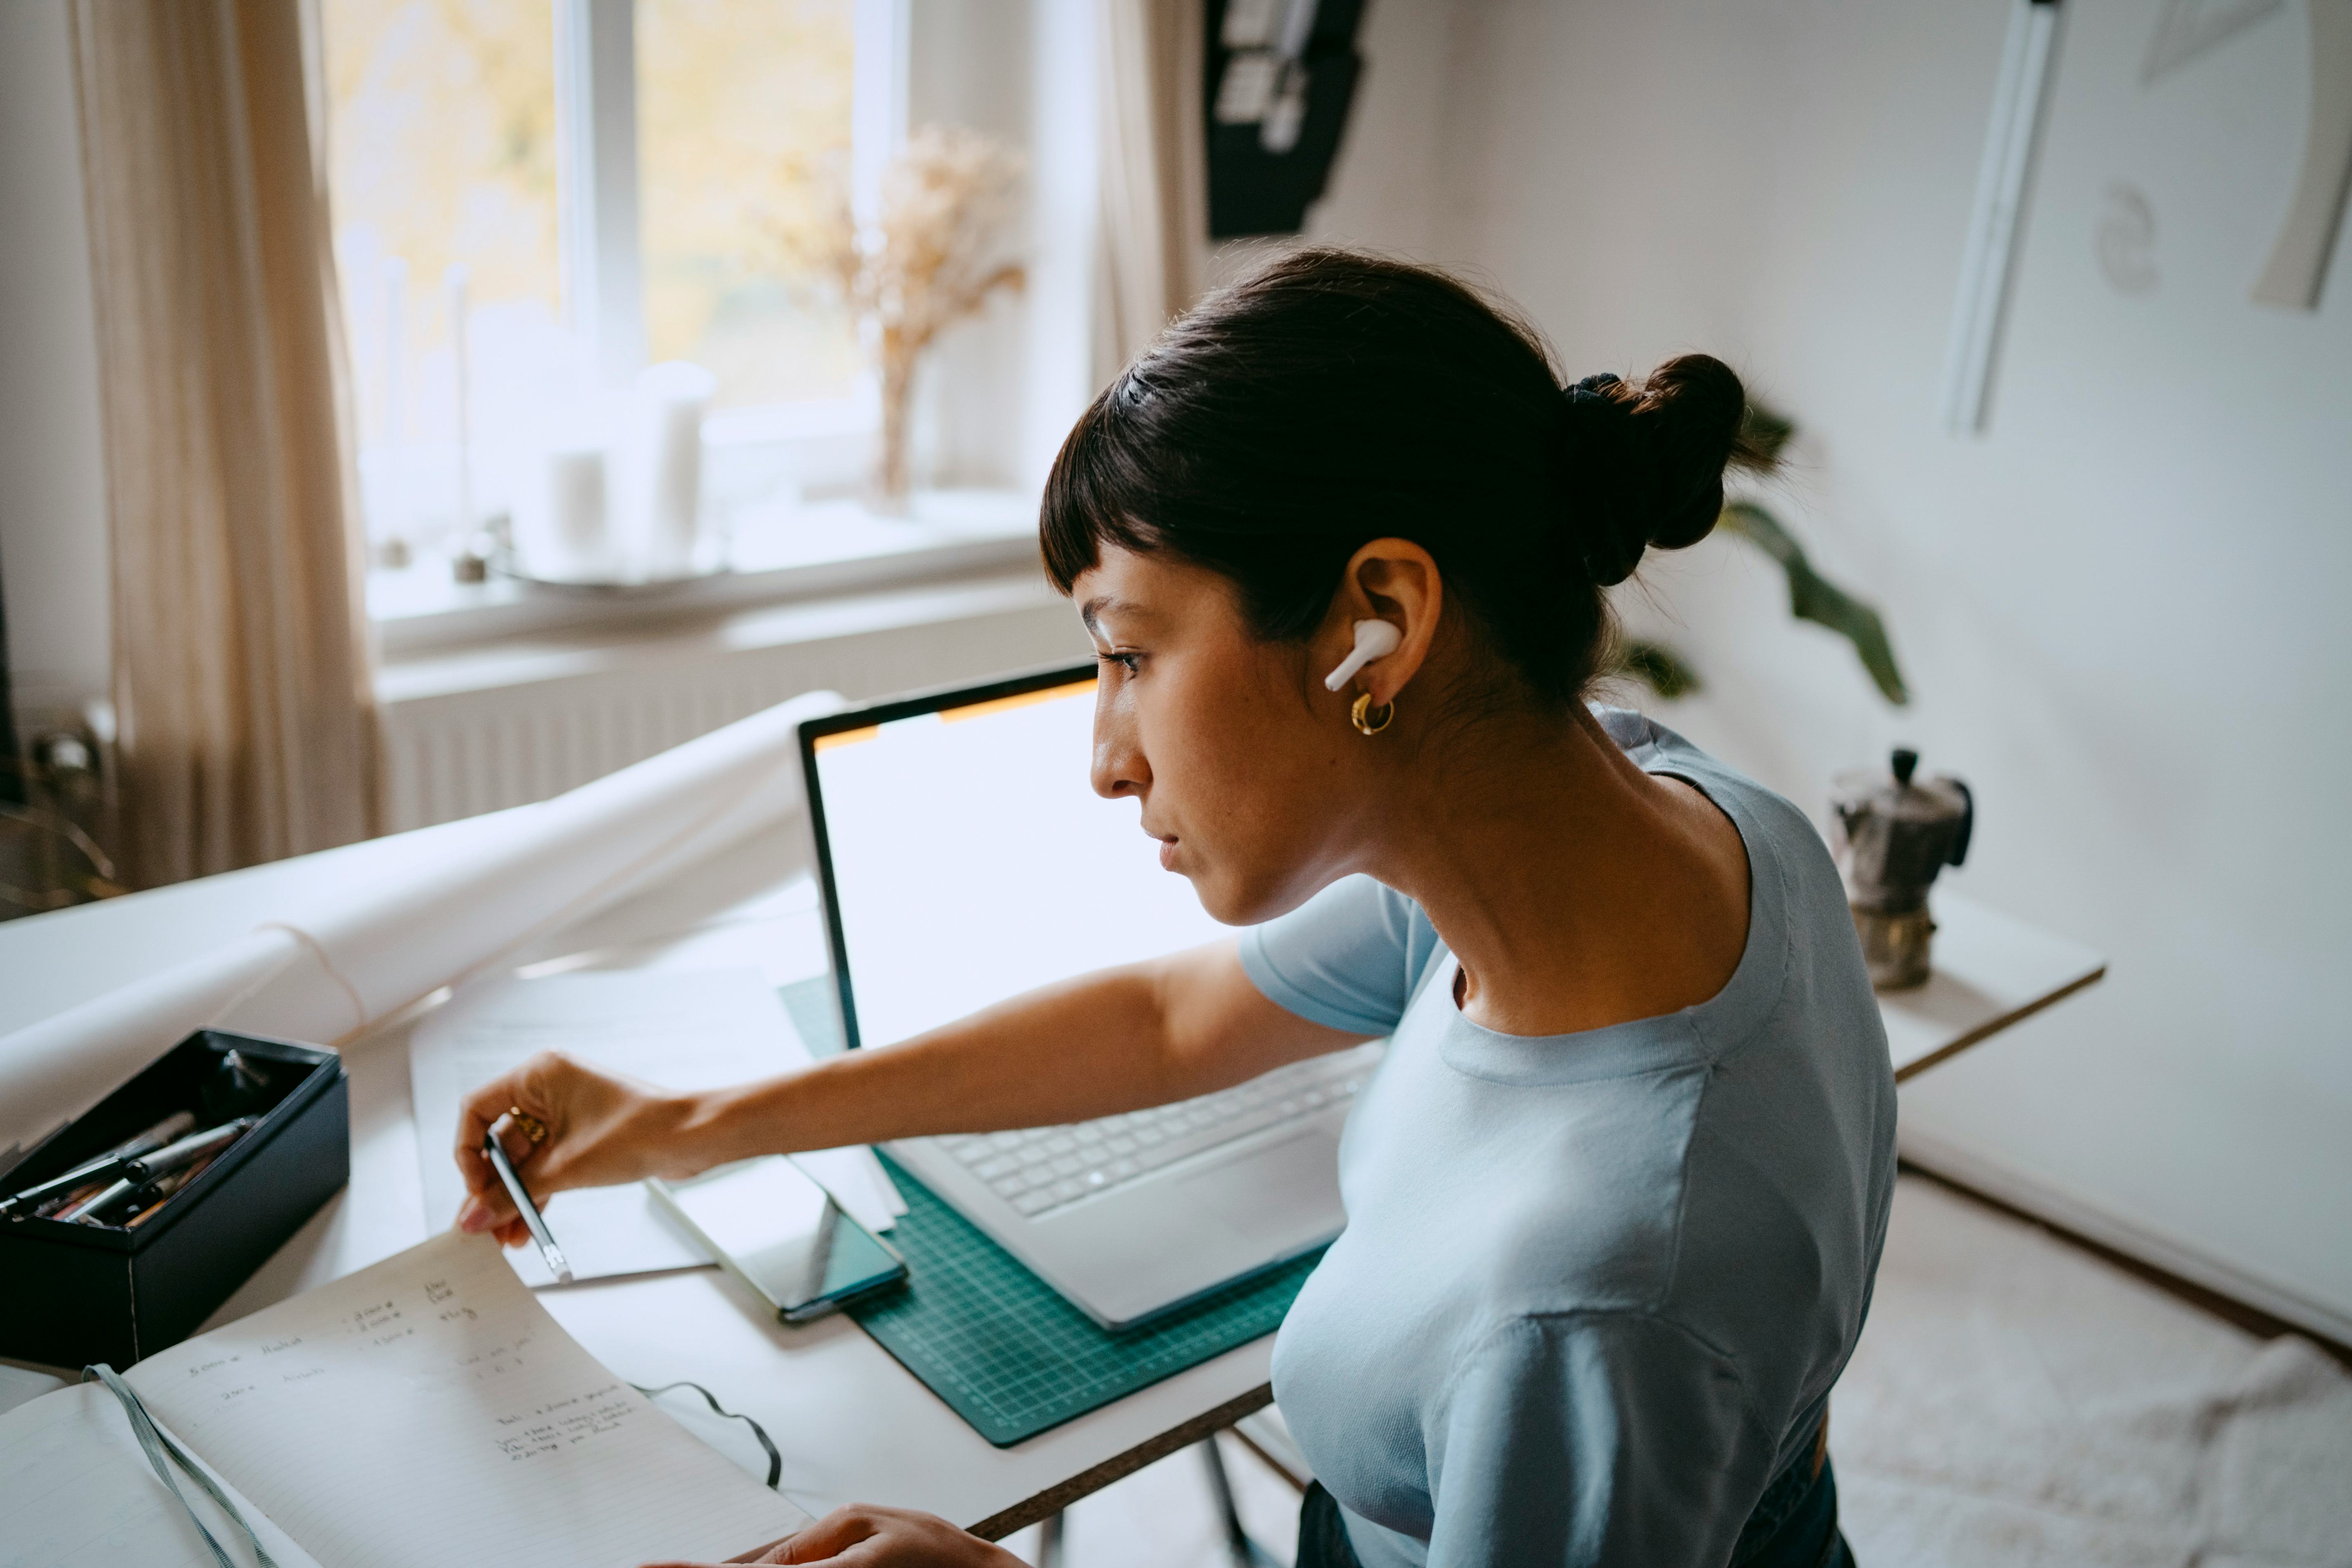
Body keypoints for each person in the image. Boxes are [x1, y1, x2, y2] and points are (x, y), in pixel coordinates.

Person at [455, 249, 1896, 1568]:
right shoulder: (1672, 815)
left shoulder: (1591, 1305)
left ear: (1373, 625)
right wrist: (683, 1124)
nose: (1103, 756)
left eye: (1129, 653)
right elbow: (1168, 1019)